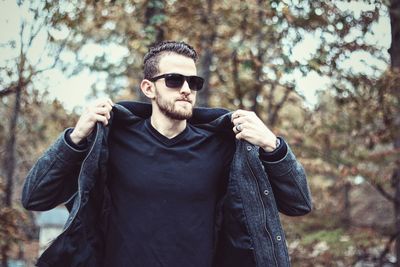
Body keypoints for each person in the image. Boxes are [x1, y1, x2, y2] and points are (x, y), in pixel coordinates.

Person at [22, 41, 312, 267]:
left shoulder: (223, 145)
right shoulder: (112, 139)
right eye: (174, 80)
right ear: (148, 87)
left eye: (193, 82)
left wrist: (273, 146)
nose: (186, 89)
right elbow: (35, 196)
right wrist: (75, 138)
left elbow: (298, 203)